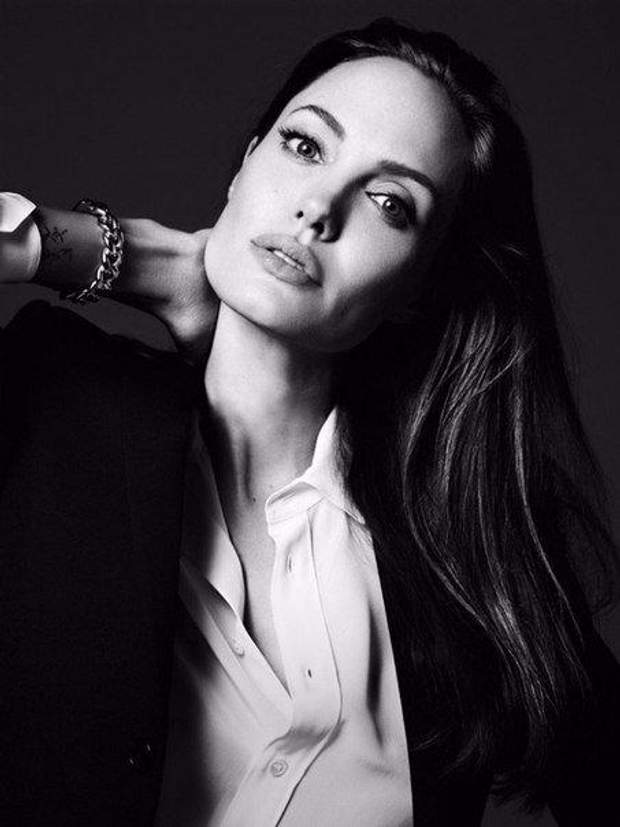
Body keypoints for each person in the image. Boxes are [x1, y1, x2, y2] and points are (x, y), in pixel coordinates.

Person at [0, 17, 618, 827]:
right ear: (245, 163)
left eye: (390, 203)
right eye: (304, 146)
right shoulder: (50, 401)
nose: (319, 208)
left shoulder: (466, 561)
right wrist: (105, 254)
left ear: (421, 287)